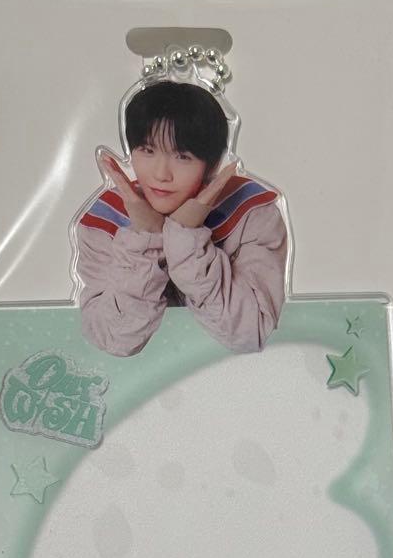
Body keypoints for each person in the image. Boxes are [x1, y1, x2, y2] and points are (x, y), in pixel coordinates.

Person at [75, 81, 288, 357]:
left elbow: (251, 331)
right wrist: (146, 236)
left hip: (230, 373)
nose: (161, 174)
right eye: (147, 150)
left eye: (182, 156)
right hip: (141, 380)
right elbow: (114, 340)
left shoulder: (251, 214)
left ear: (212, 163)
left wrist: (184, 235)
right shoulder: (103, 221)